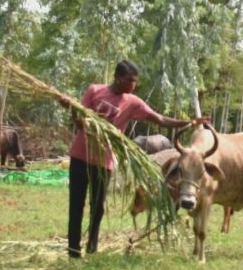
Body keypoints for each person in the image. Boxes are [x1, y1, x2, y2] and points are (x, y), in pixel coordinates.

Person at [59, 60, 208, 258]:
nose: (133, 85)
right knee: (76, 204)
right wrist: (73, 109)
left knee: (97, 207)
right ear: (118, 78)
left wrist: (189, 122)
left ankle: (92, 248)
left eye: (135, 81)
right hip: (80, 156)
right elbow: (79, 124)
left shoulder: (132, 102)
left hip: (103, 161)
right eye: (130, 80)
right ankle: (73, 250)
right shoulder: (94, 91)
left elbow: (160, 119)